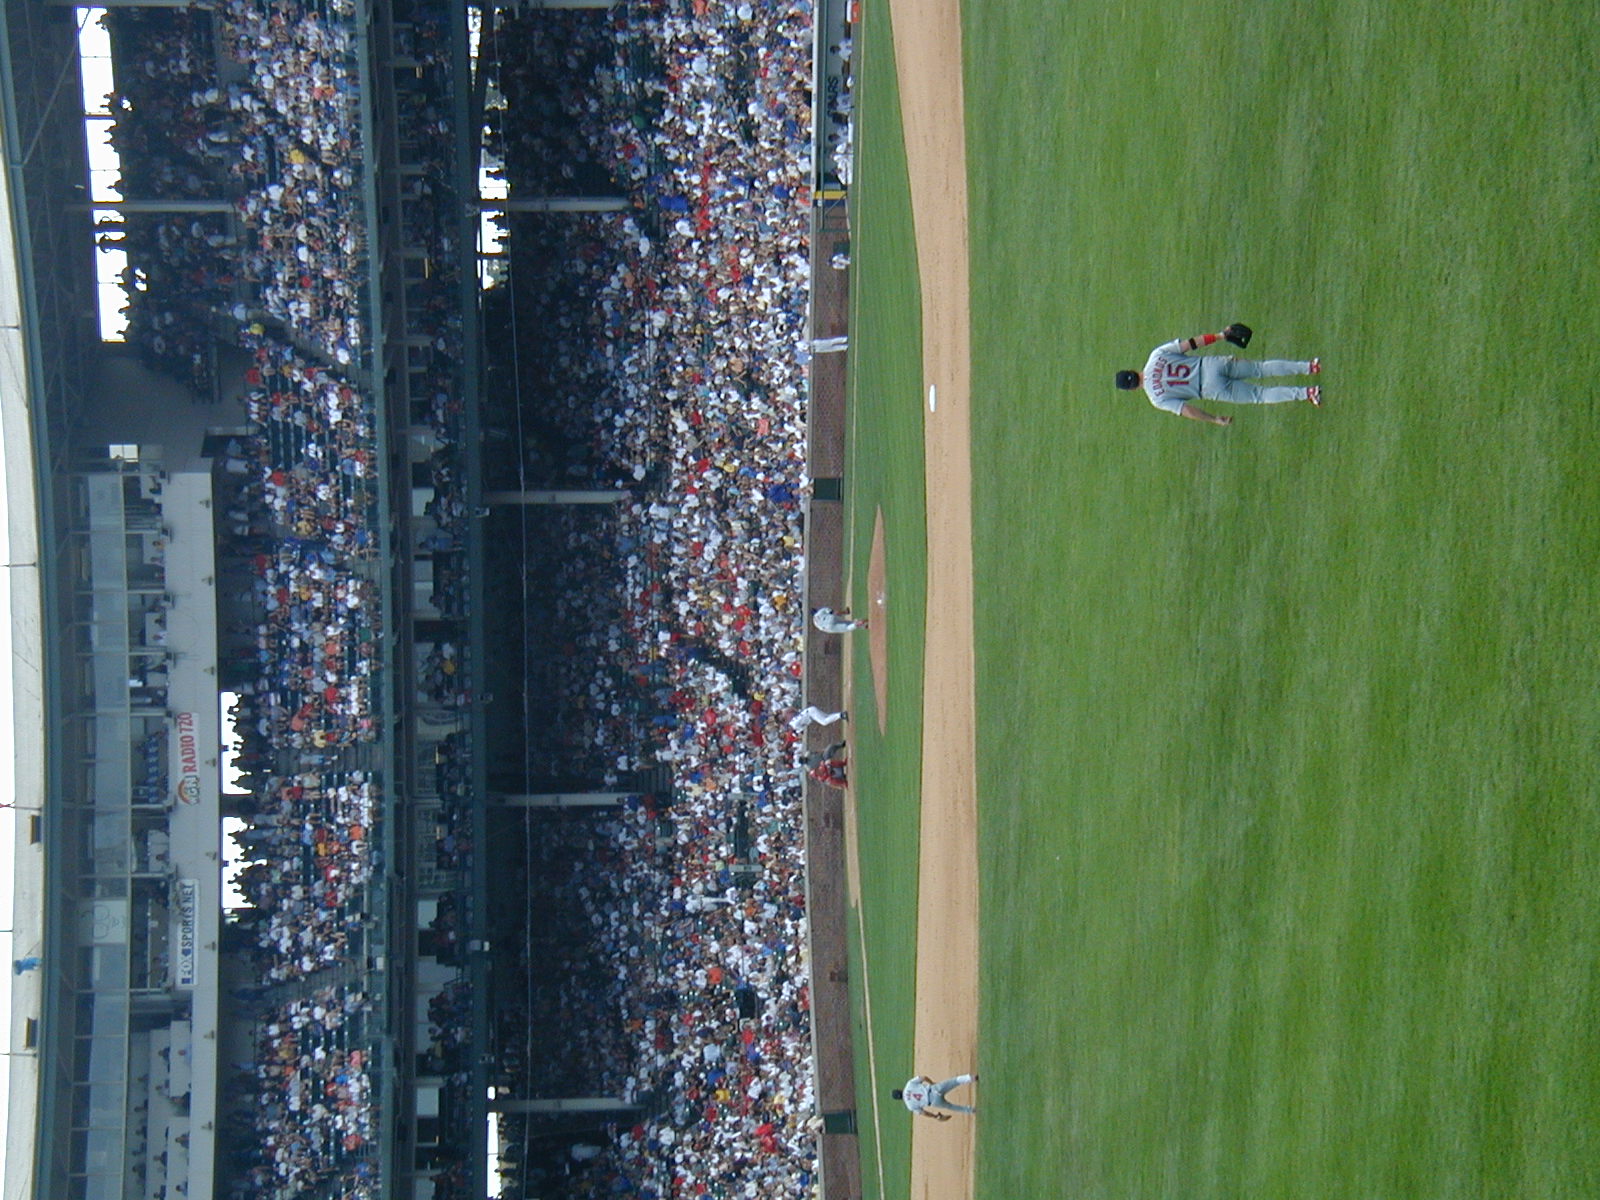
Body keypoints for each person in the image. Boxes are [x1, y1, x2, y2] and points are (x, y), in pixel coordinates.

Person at [1115, 329, 1320, 425]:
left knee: (1260, 395)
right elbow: (1191, 343)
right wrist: (1221, 335)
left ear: (1132, 389)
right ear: (1132, 370)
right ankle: (1310, 366)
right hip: (1211, 365)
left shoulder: (1156, 397)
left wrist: (1214, 419)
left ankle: (1308, 393)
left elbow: (1187, 410)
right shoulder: (1156, 355)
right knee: (1261, 368)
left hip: (1209, 389)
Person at [893, 1072, 979, 1119]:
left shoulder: (910, 1106)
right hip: (934, 1089)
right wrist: (932, 1083)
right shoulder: (909, 1085)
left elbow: (923, 1113)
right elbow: (923, 1077)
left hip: (934, 1102)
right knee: (954, 1081)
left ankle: (972, 1110)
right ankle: (972, 1078)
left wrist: (935, 1116)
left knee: (951, 1107)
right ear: (900, 1090)